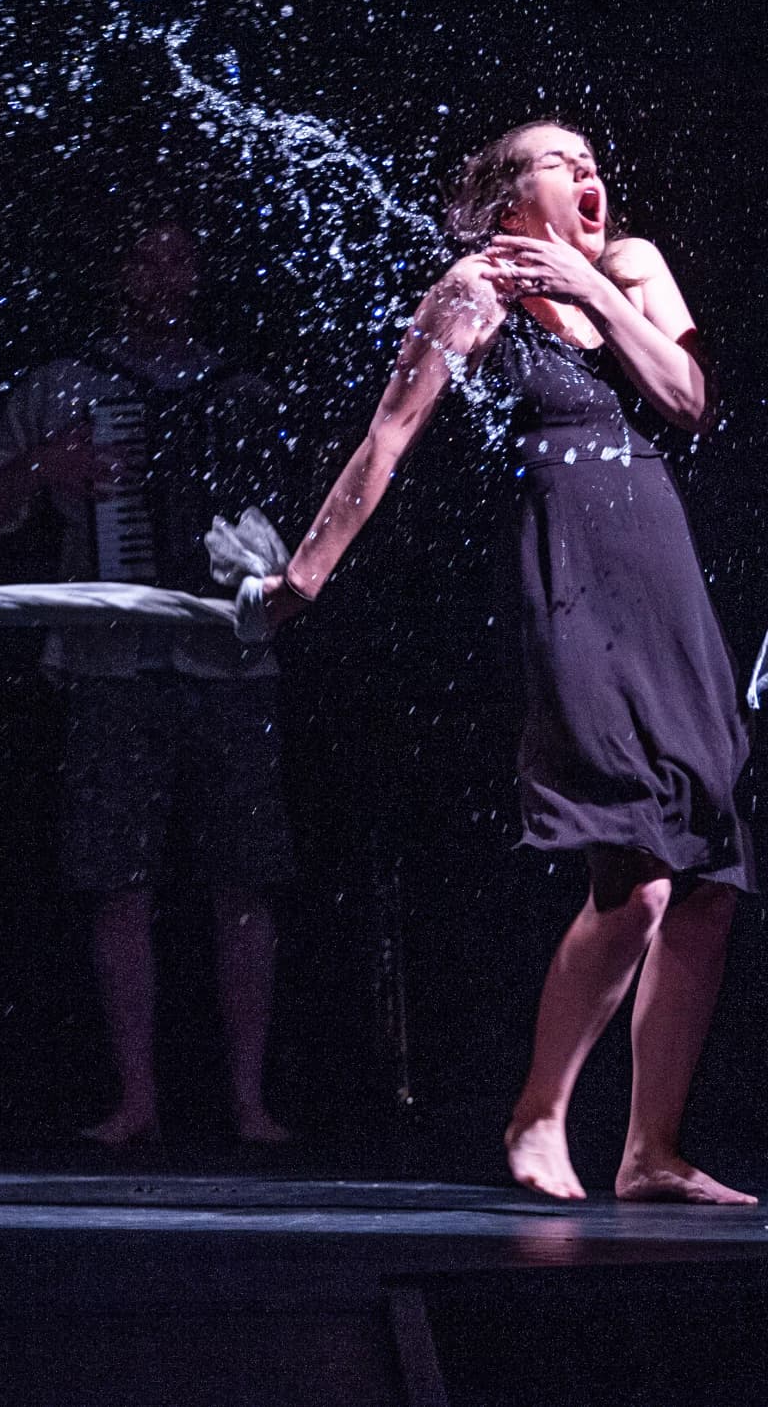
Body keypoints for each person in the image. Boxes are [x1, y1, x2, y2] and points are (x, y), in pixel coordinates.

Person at [260, 121, 756, 1203]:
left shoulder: (630, 267)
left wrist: (593, 283)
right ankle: (537, 1112)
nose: (584, 172)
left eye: (590, 160)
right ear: (499, 194)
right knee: (636, 875)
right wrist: (303, 575)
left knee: (711, 878)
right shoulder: (474, 290)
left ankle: (651, 1148)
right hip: (568, 573)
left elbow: (685, 398)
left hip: (663, 573)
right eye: (553, 160)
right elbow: (388, 436)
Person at [0, 221, 296, 1147]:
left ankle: (250, 1099)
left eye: (181, 254)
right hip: (112, 665)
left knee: (246, 878)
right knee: (117, 879)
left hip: (230, 664)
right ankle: (136, 1095)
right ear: (114, 269)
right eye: (143, 254)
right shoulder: (66, 385)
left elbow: (301, 522)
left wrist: (263, 555)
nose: (163, 272)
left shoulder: (247, 391)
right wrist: (42, 466)